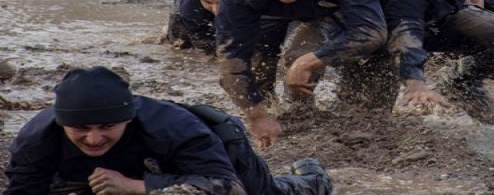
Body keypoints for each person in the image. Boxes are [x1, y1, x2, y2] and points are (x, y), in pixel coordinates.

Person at [3, 66, 332, 195]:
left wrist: (136, 187)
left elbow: (228, 189)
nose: (93, 138)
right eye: (80, 129)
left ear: (128, 119)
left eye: (107, 127)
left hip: (212, 153)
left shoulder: (173, 128)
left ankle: (311, 176)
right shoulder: (37, 140)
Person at [214, 0, 393, 148]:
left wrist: (307, 63)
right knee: (258, 67)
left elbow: (371, 32)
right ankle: (298, 115)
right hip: (269, 10)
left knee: (370, 61)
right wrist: (256, 115)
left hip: (333, 6)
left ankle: (369, 120)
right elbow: (231, 57)